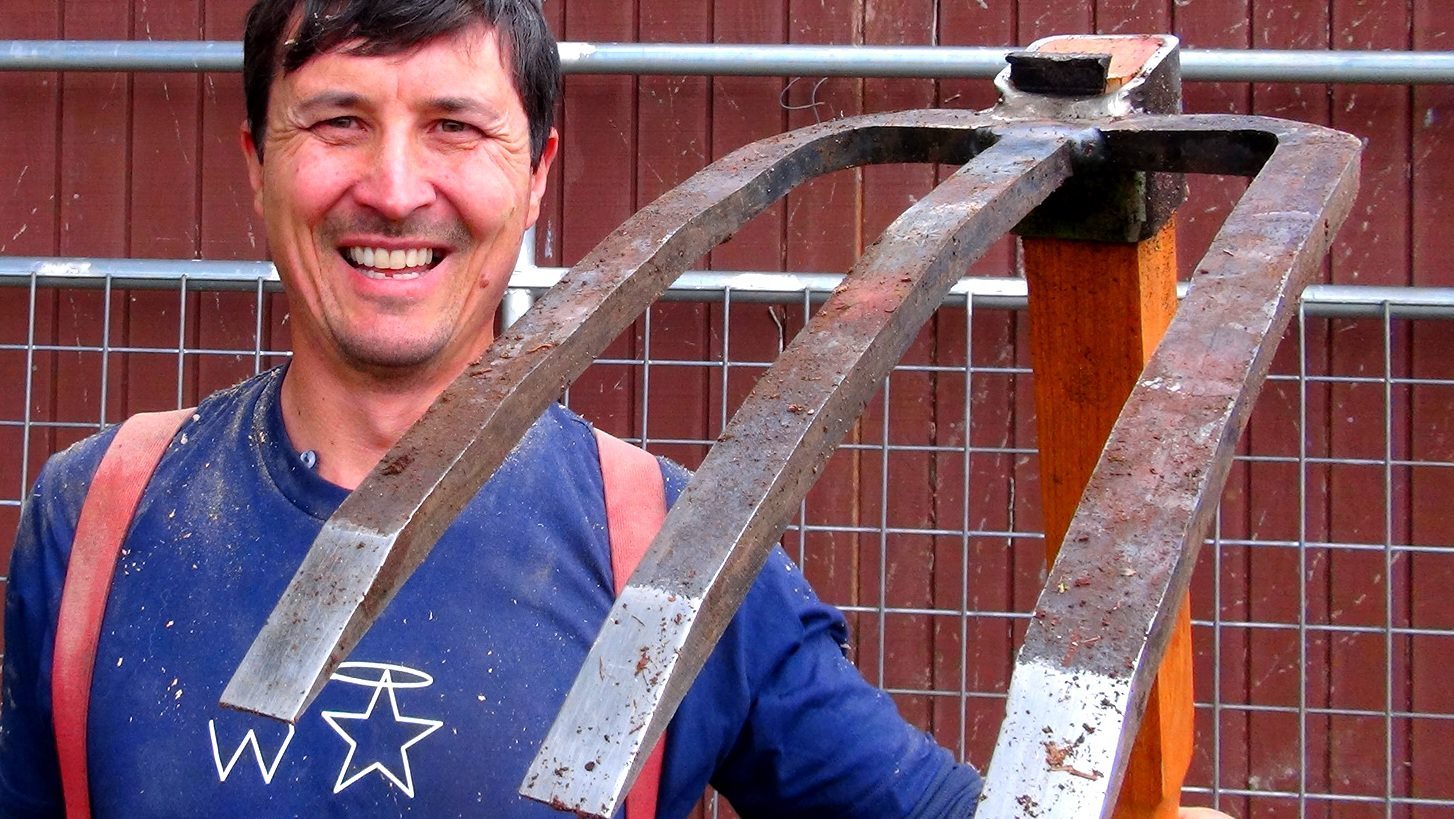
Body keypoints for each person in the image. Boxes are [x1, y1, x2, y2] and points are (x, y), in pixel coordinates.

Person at [0, 1, 1235, 817]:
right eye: (337, 122)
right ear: (256, 164)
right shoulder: (101, 516)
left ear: (537, 173)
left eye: (455, 127)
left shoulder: (673, 559)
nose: (393, 186)